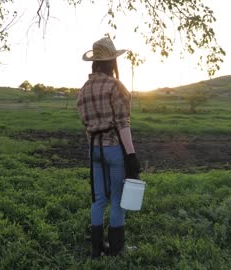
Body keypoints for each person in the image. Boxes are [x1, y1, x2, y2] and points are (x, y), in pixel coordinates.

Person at [76, 36, 141, 258]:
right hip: (114, 149)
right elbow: (123, 125)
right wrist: (131, 155)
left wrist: (95, 149)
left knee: (98, 199)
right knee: (117, 199)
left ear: (95, 63)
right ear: (111, 62)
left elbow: (87, 126)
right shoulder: (116, 86)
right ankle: (117, 249)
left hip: (93, 149)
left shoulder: (84, 89)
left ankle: (97, 248)